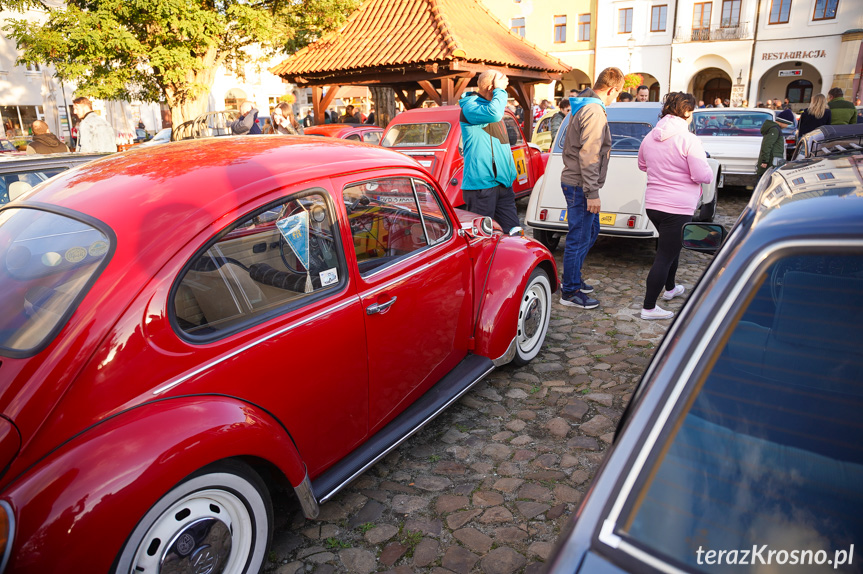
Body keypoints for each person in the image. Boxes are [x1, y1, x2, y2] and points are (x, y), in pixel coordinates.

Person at [637, 92, 713, 320]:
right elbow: (702, 174)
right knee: (665, 255)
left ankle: (670, 288)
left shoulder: (650, 136)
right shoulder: (689, 139)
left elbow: (642, 165)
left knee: (671, 247)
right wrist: (708, 168)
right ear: (687, 112)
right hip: (677, 207)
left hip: (654, 205)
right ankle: (649, 308)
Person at [559, 67, 624, 309]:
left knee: (591, 230)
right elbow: (589, 154)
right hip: (580, 185)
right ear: (612, 89)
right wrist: (592, 193)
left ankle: (572, 278)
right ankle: (571, 290)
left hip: (577, 182)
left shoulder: (585, 104)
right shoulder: (594, 110)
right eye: (617, 94)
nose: (615, 98)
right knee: (579, 236)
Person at [458, 70, 520, 234]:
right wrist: (499, 90)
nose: (505, 89)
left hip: (503, 185)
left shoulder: (494, 106)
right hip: (482, 187)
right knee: (483, 239)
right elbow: (494, 113)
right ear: (492, 87)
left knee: (512, 233)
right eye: (502, 86)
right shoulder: (471, 106)